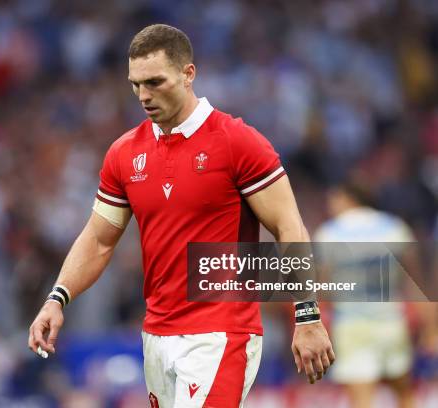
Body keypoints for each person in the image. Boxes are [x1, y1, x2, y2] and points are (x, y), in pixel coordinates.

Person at [29, 24, 334, 407]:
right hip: (156, 334)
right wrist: (57, 298)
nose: (143, 95)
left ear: (188, 73)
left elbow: (289, 226)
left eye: (155, 82)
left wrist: (307, 316)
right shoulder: (124, 153)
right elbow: (98, 239)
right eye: (135, 84)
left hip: (222, 333)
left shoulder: (238, 142)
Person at [315, 182, 437, 408]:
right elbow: (414, 282)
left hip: (352, 325)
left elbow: (321, 288)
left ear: (346, 198)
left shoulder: (329, 233)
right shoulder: (393, 228)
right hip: (390, 322)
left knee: (362, 401)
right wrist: (431, 328)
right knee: (405, 395)